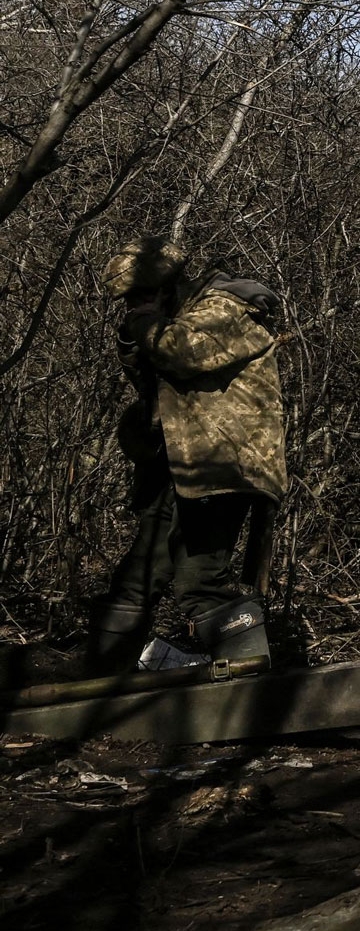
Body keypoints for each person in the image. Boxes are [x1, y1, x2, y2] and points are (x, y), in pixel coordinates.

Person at [86, 237, 288, 675]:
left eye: (142, 296)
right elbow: (152, 386)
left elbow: (181, 353)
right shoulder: (168, 322)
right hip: (178, 468)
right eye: (129, 301)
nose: (135, 307)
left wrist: (142, 327)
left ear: (170, 285)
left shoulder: (225, 308)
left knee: (200, 581)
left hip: (222, 466)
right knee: (138, 577)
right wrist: (134, 338)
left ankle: (243, 688)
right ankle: (100, 684)